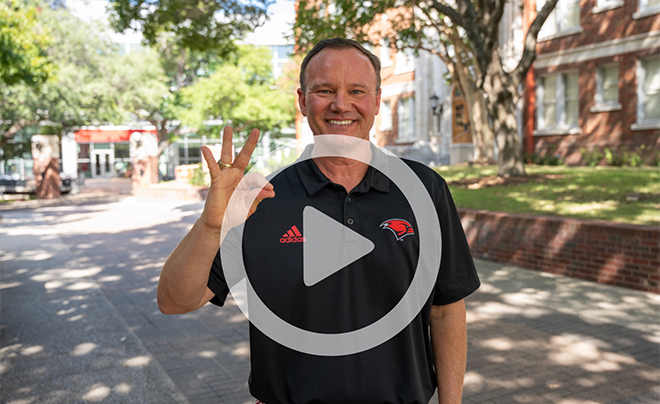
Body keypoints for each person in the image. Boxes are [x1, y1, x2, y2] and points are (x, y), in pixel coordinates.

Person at [157, 38, 480, 404]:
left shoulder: (425, 190)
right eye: (324, 90)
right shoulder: (260, 199)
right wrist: (211, 226)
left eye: (356, 90)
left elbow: (446, 308)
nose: (341, 104)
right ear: (302, 100)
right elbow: (175, 301)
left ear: (376, 101)